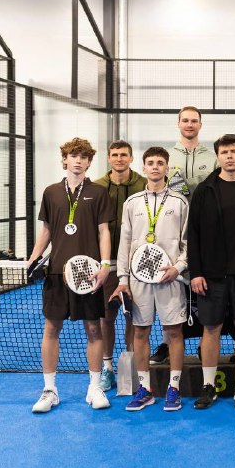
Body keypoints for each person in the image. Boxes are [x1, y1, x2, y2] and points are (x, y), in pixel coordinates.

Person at [28, 137, 112, 413]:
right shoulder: (51, 192)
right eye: (73, 156)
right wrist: (34, 257)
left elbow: (103, 231)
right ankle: (49, 390)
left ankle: (95, 387)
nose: (78, 161)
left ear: (89, 162)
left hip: (88, 273)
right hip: (56, 273)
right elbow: (46, 230)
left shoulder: (98, 192)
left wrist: (105, 264)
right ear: (64, 160)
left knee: (93, 329)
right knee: (51, 328)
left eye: (83, 157)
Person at [188, 134, 235, 409]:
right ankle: (208, 386)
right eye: (224, 152)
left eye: (234, 151)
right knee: (211, 328)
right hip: (211, 275)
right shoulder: (204, 190)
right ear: (218, 156)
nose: (229, 156)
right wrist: (196, 272)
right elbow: (193, 234)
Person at [113, 147, 189, 411]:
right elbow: (124, 243)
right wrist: (122, 279)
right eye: (150, 162)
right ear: (143, 168)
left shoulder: (180, 202)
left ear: (167, 168)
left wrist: (178, 268)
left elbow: (187, 242)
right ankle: (145, 389)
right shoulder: (132, 203)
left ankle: (174, 388)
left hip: (171, 279)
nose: (155, 167)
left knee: (174, 332)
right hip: (138, 281)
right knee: (140, 331)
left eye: (160, 163)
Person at [151, 105, 217, 365]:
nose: (190, 124)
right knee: (170, 285)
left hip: (204, 229)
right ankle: (167, 343)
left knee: (203, 286)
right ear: (178, 124)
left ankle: (204, 345)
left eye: (194, 121)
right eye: (185, 120)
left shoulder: (212, 157)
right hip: (171, 229)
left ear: (200, 124)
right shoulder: (167, 157)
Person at [93, 140, 147, 392]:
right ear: (109, 158)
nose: (119, 159)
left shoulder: (143, 184)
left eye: (124, 155)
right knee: (106, 317)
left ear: (131, 158)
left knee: (132, 317)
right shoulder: (96, 187)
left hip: (135, 265)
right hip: (106, 265)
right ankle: (107, 368)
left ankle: (131, 367)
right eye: (114, 155)